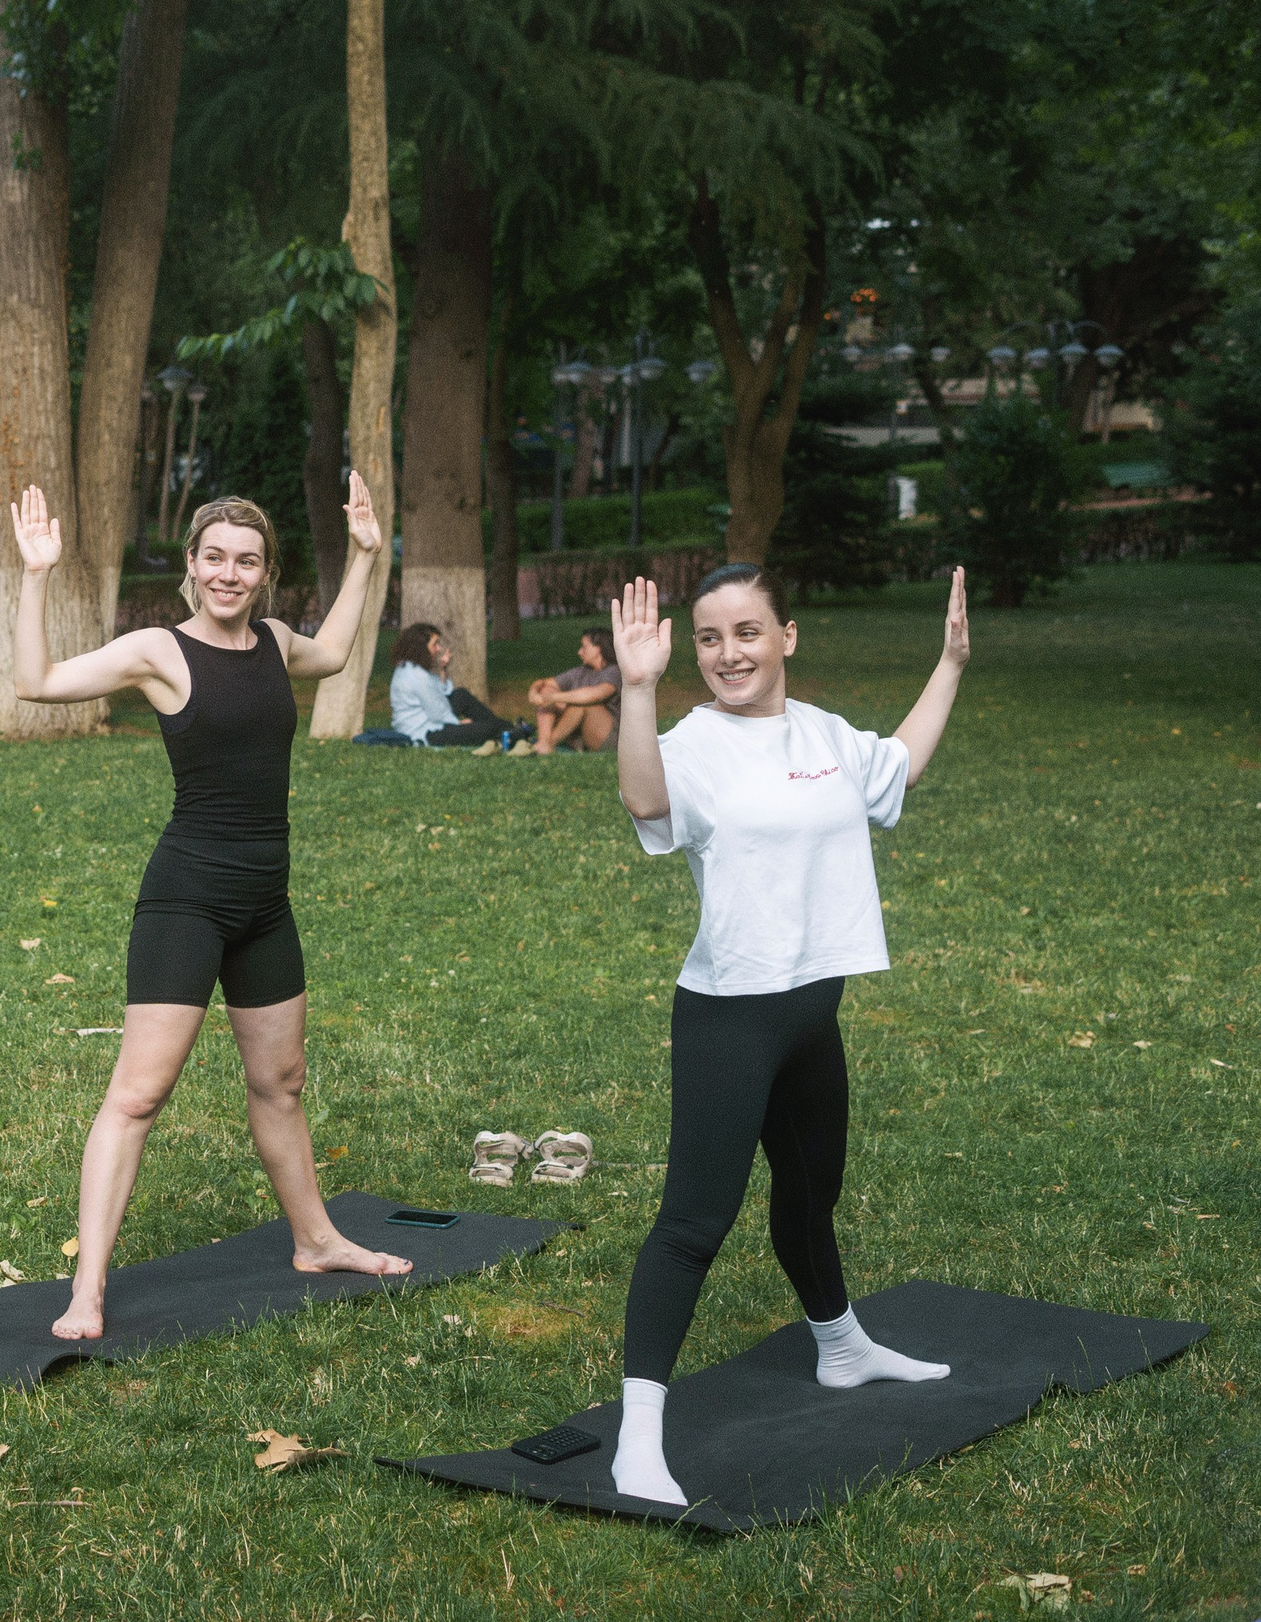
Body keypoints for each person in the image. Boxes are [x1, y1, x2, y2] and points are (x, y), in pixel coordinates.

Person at [8, 474, 413, 1341]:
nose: (231, 573)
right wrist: (37, 573)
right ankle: (87, 1290)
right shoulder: (159, 650)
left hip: (266, 900)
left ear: (265, 573)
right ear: (191, 564)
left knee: (281, 1081)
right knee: (139, 1093)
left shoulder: (272, 641)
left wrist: (369, 557)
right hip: (187, 897)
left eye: (249, 561)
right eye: (216, 558)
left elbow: (334, 651)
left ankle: (316, 1240)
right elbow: (35, 679)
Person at [605, 563, 970, 1506]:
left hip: (816, 1008)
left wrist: (952, 662)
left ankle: (842, 1348)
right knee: (693, 1222)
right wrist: (636, 690)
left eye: (748, 632)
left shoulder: (824, 734)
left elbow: (897, 765)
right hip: (731, 1014)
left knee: (811, 1196)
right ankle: (637, 1436)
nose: (730, 653)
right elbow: (646, 802)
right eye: (711, 639)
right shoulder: (689, 743)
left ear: (787, 636)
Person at [355, 623, 519, 752]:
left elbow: (441, 692)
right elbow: (438, 712)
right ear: (421, 646)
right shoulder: (417, 676)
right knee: (490, 728)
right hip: (426, 733)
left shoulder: (410, 667)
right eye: (435, 644)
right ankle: (511, 732)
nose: (439, 648)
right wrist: (459, 724)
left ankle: (508, 730)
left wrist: (443, 669)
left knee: (460, 695)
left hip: (427, 722)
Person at [525, 626, 620, 754]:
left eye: (584, 647)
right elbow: (544, 683)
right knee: (548, 690)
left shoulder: (614, 671)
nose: (579, 652)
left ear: (598, 649)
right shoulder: (580, 672)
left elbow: (596, 695)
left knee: (582, 704)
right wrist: (534, 690)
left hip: (612, 737)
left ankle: (549, 743)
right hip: (583, 734)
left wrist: (554, 698)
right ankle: (543, 742)